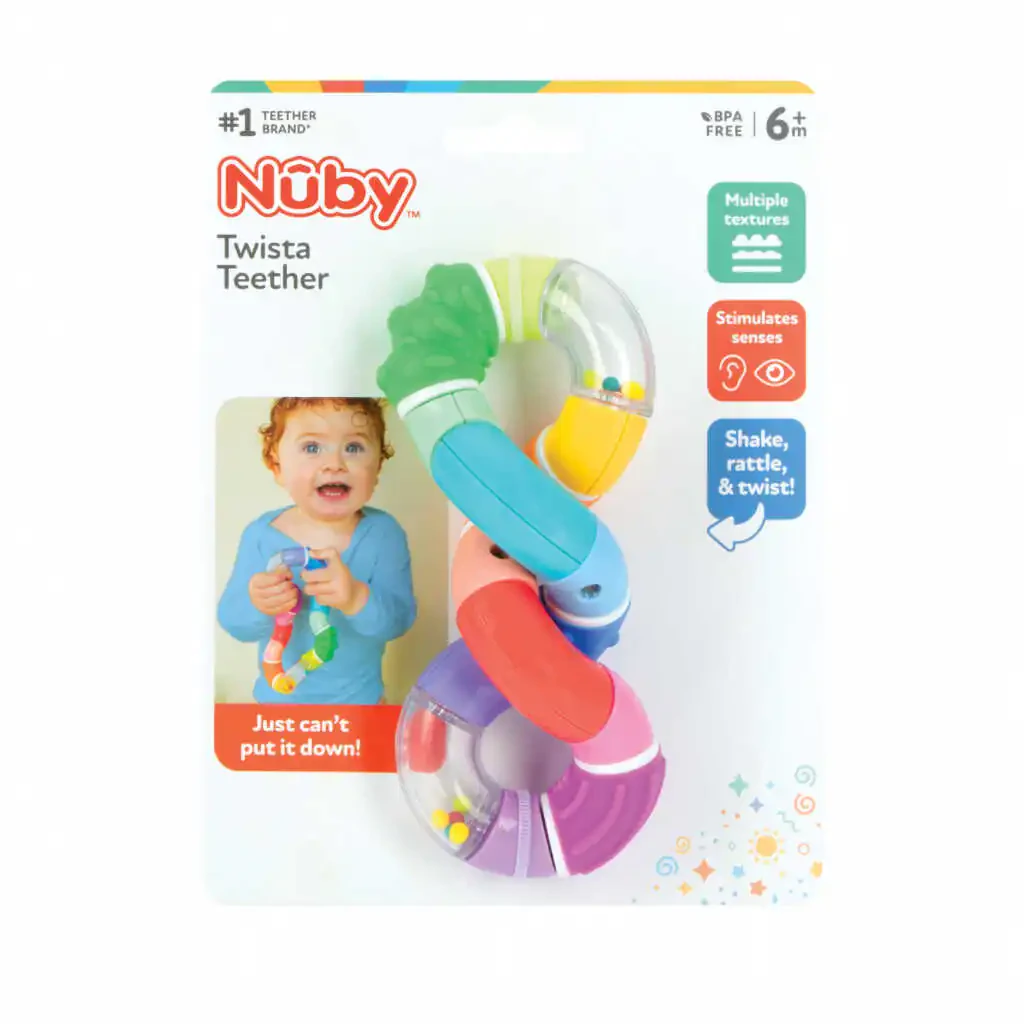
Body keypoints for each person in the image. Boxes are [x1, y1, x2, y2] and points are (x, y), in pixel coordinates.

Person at [218, 397, 416, 704]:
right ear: (277, 466)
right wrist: (258, 603)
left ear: (377, 466)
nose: (334, 463)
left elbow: (398, 621)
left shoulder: (383, 535)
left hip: (361, 707)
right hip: (276, 709)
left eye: (353, 447)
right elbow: (234, 623)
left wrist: (356, 598)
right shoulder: (260, 536)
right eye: (312, 447)